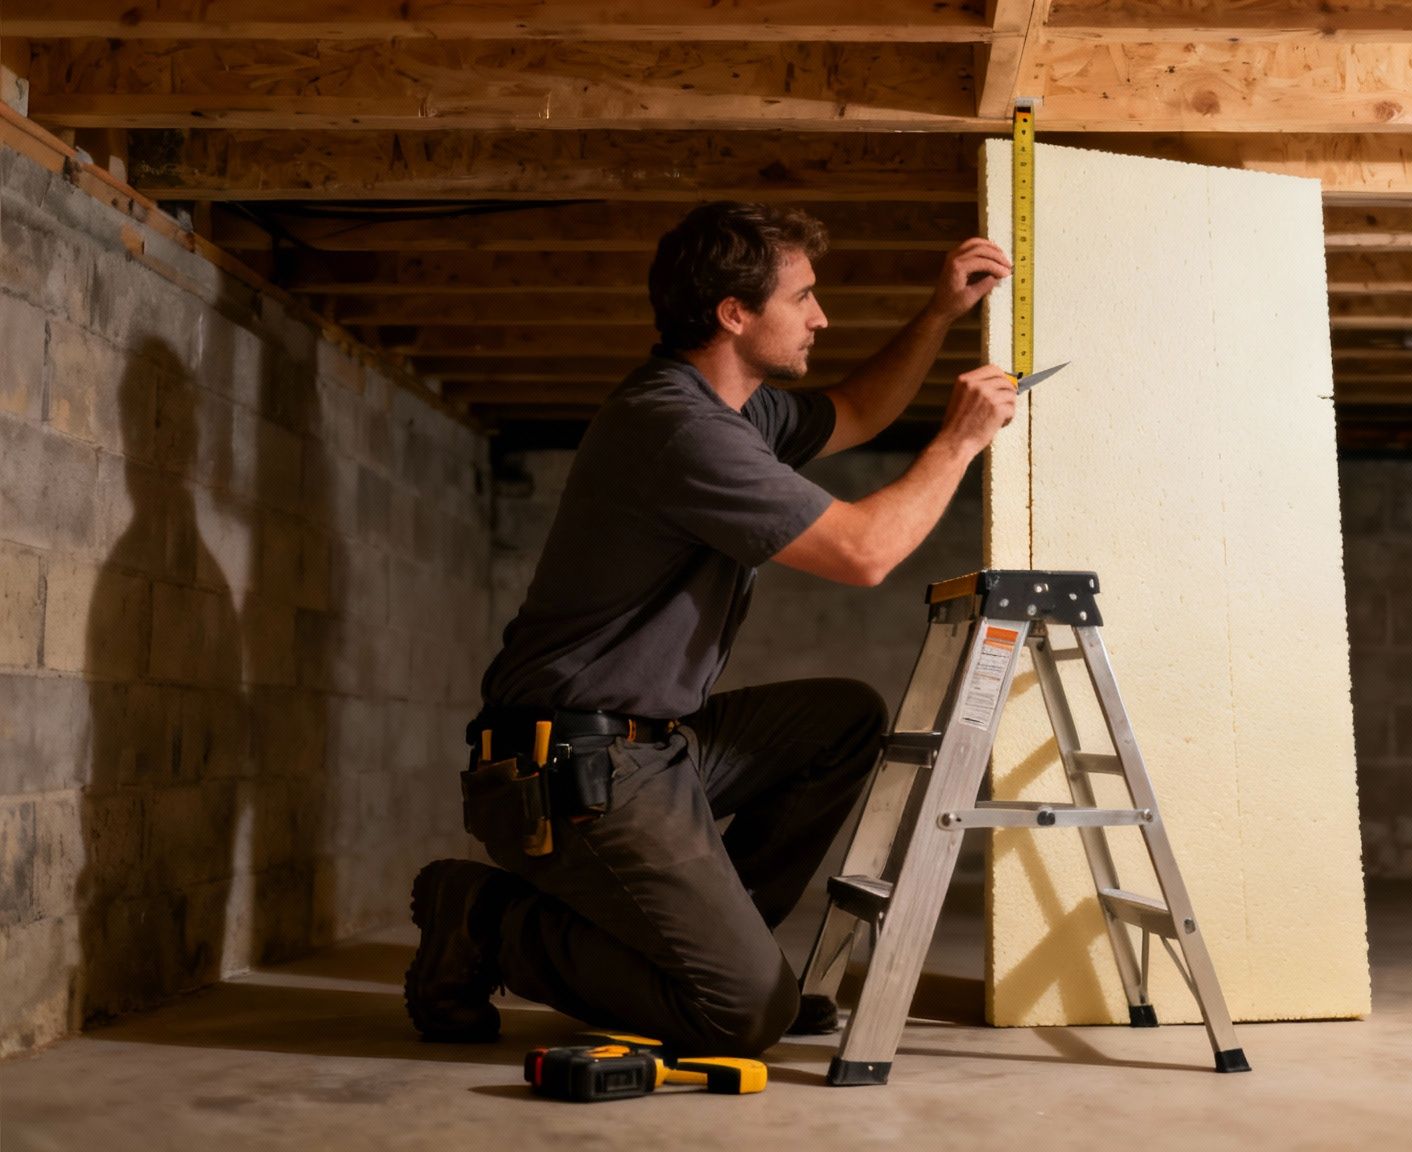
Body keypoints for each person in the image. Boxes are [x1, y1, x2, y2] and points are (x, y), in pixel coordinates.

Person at [403, 201, 1016, 1055]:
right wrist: (960, 441)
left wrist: (940, 312)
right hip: (567, 773)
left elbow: (857, 411)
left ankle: (722, 955)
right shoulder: (678, 427)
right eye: (802, 297)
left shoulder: (731, 409)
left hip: (649, 751)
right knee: (741, 1018)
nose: (821, 316)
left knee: (840, 719)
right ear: (734, 314)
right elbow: (866, 553)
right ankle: (484, 917)